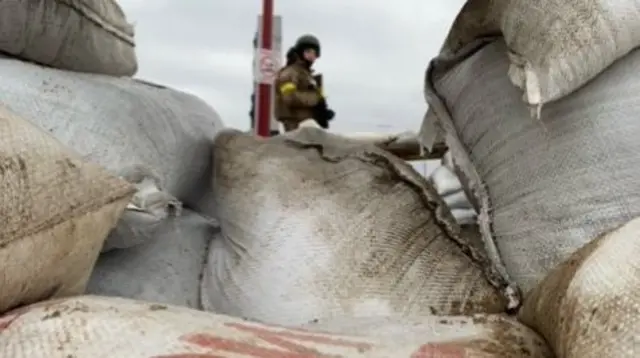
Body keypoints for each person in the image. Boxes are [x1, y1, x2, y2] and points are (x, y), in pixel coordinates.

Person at [275, 34, 335, 132]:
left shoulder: (307, 75)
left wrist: (323, 112)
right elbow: (290, 97)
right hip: (294, 124)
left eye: (314, 53)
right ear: (300, 52)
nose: (312, 56)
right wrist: (315, 99)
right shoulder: (290, 72)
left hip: (306, 124)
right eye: (308, 52)